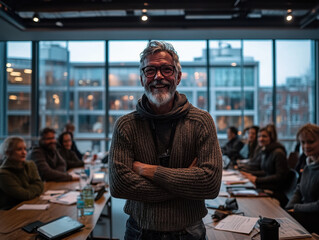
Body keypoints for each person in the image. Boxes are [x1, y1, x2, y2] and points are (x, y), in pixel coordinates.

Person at [109, 40, 222, 240]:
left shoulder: (201, 121)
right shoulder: (125, 125)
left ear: (178, 77)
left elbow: (210, 185)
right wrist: (185, 181)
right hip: (139, 232)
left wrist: (147, 170)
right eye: (150, 70)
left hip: (189, 232)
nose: (158, 76)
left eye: (166, 69)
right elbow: (119, 186)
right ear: (142, 78)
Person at [241, 124, 289, 207]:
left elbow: (280, 177)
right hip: (266, 186)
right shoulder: (266, 151)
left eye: (264, 136)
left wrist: (257, 179)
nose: (260, 139)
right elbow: (265, 171)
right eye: (259, 136)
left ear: (271, 137)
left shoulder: (278, 153)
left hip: (275, 191)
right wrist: (250, 175)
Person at [285, 123, 319, 234]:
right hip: (305, 213)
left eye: (311, 142)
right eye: (302, 142)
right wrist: (289, 207)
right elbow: (299, 188)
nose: (306, 146)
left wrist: (296, 208)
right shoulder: (308, 162)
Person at [0, 136, 44, 210]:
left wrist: (29, 190)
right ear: (8, 153)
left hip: (30, 204)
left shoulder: (30, 164)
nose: (24, 152)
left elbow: (40, 185)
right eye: (19, 149)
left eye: (25, 149)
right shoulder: (3, 174)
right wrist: (34, 189)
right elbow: (24, 195)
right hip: (11, 212)